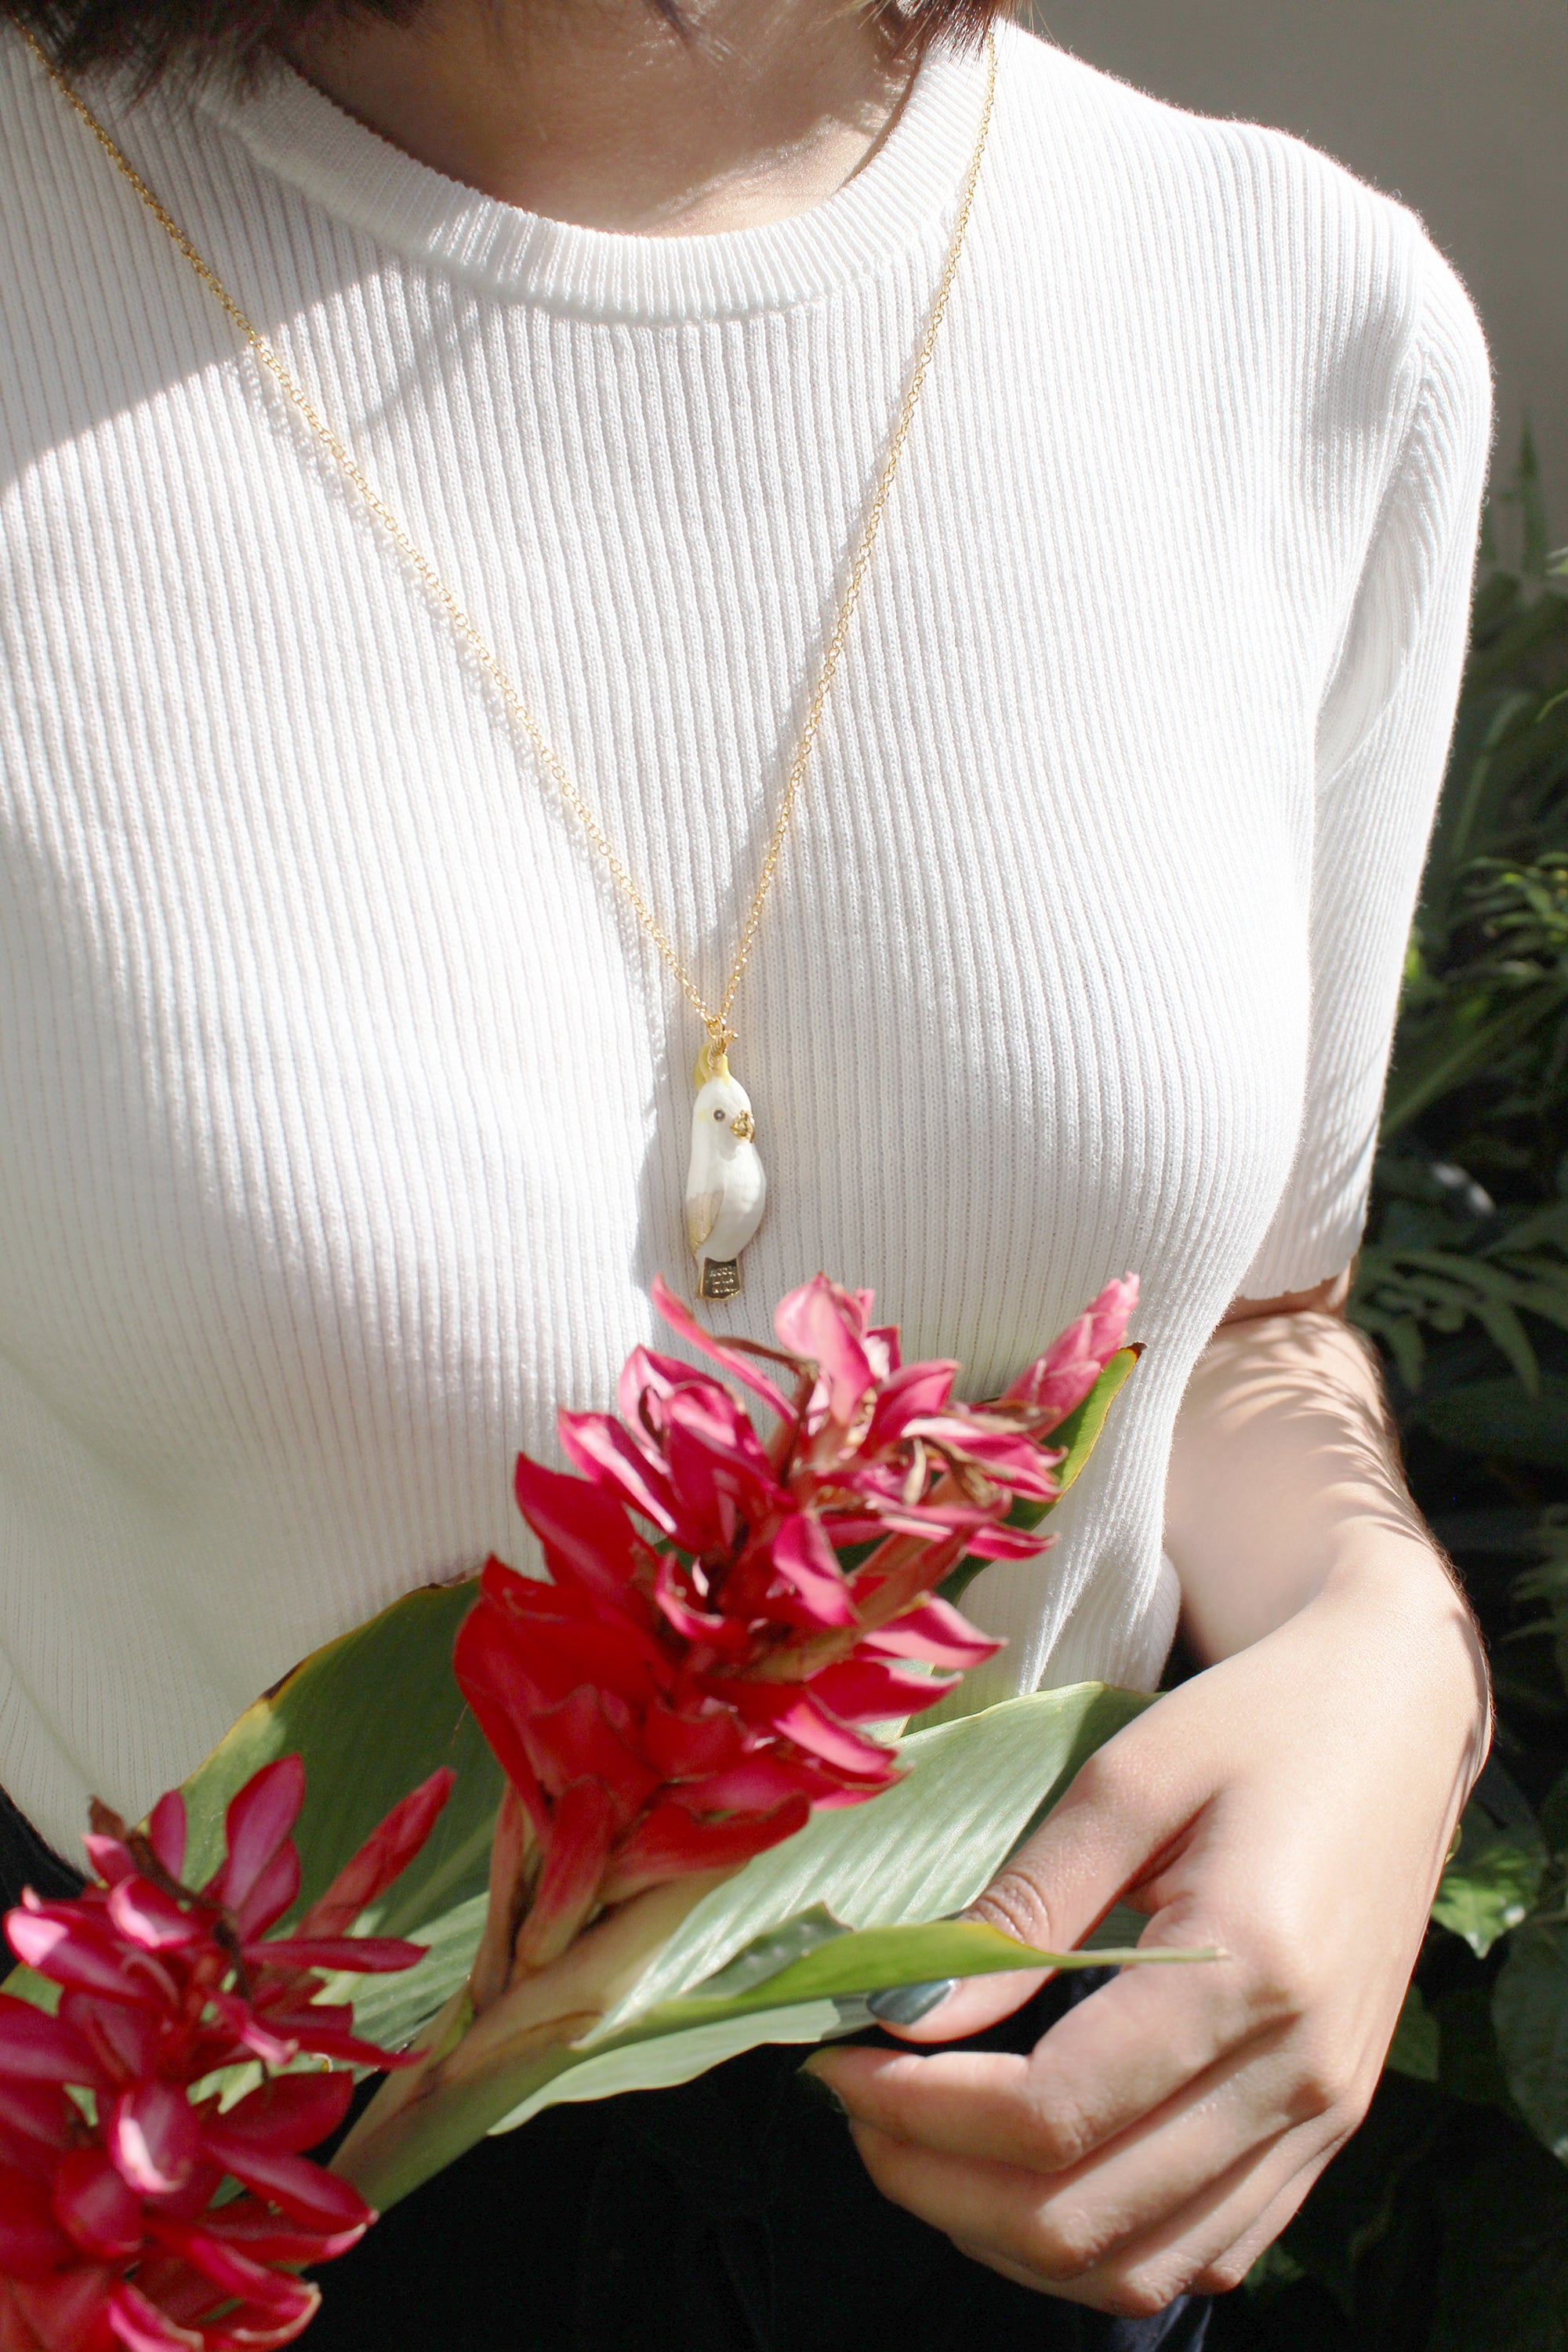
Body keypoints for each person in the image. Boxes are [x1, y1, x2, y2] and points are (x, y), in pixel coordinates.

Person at [0, 0, 1492, 2344]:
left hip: (996, 2183)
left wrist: (1383, 1641)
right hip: (160, 2188)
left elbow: (1256, 1317)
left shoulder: (1295, 308)